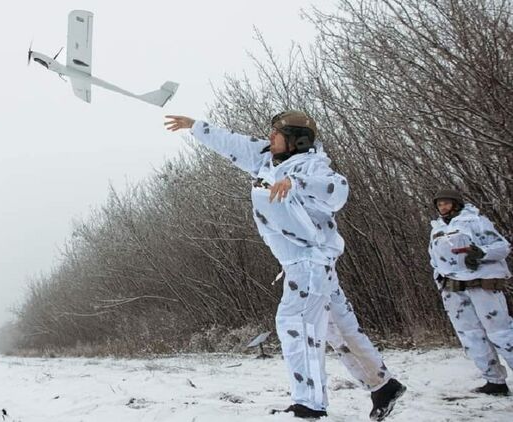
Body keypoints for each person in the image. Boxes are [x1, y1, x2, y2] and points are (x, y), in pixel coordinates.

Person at [164, 112, 405, 420]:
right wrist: (195, 127)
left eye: (276, 134)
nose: (270, 138)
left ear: (296, 140)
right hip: (307, 267)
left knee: (295, 324)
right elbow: (232, 143)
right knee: (339, 329)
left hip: (309, 263)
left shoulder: (312, 166)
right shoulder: (266, 159)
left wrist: (297, 182)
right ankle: (383, 386)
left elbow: (337, 190)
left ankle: (309, 405)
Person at [428, 189, 513, 396]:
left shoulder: (474, 221)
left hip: (481, 285)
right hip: (453, 289)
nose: (443, 208)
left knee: (501, 333)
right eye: (440, 205)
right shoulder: (437, 229)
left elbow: (502, 246)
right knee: (471, 336)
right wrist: (439, 278)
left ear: (456, 204)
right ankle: (494, 381)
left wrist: (481, 253)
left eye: (446, 203)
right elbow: (434, 257)